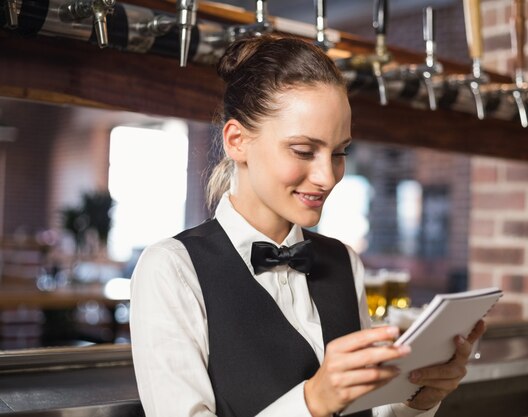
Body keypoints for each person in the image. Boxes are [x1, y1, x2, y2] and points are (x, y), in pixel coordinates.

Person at [130, 34, 486, 417]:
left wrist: (420, 399)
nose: (327, 177)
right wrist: (312, 402)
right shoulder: (171, 269)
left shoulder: (344, 261)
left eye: (338, 153)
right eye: (303, 151)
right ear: (237, 141)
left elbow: (366, 408)